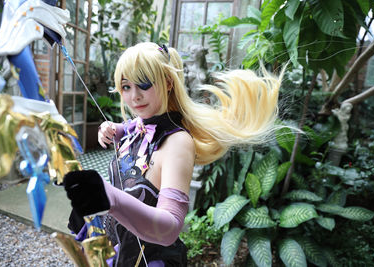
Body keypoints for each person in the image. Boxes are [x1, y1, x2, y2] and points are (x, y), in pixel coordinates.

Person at [63, 42, 283, 267]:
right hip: (118, 250)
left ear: (168, 82)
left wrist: (111, 198)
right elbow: (133, 125)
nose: (134, 96)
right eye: (126, 86)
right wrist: (114, 129)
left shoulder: (177, 143)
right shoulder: (139, 125)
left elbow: (170, 227)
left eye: (144, 84)